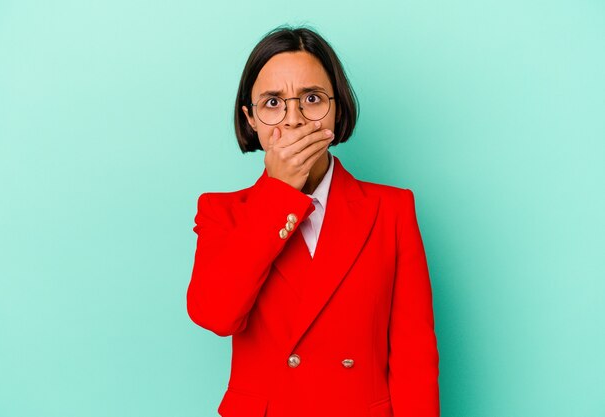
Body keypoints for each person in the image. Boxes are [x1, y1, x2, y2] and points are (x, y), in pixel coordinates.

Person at [187, 25, 440, 417]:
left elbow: (413, 357)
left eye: (312, 98)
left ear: (336, 109)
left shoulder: (391, 209)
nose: (294, 120)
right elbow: (216, 315)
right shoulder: (223, 212)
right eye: (272, 103)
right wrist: (278, 195)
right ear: (250, 118)